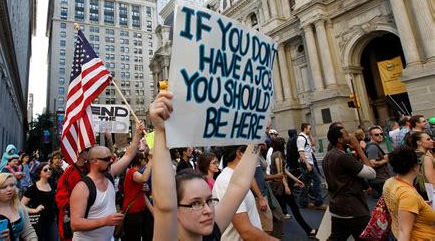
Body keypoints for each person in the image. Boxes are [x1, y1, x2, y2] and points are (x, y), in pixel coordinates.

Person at [150, 91, 278, 240]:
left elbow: (239, 184)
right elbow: (164, 205)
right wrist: (160, 130)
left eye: (210, 201)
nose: (208, 210)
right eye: (196, 203)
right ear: (175, 210)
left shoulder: (213, 233)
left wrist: (257, 136)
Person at [69, 121, 143, 241]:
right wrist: (105, 221)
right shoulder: (82, 188)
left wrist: (137, 134)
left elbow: (128, 156)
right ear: (94, 161)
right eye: (107, 159)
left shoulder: (109, 174)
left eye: (111, 157)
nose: (111, 160)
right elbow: (75, 224)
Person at [323, 126, 376, 241]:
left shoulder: (328, 156)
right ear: (340, 140)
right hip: (353, 210)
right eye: (346, 134)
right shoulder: (343, 158)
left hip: (337, 208)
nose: (350, 136)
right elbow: (371, 173)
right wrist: (358, 148)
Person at [383, 147, 435, 240]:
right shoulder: (408, 195)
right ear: (415, 167)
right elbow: (404, 231)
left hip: (395, 232)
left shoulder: (389, 182)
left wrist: (422, 205)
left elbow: (396, 205)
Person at [270, 137, 317, 237]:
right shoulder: (278, 155)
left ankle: (275, 233)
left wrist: (296, 180)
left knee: (276, 211)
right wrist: (286, 186)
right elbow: (280, 173)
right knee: (292, 209)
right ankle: (308, 231)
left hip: (277, 186)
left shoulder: (275, 154)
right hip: (280, 187)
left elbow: (283, 170)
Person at [55, 147, 90, 241]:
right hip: (73, 222)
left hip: (89, 220)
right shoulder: (68, 173)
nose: (90, 152)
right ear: (79, 153)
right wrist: (81, 200)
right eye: (87, 150)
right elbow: (60, 201)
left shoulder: (90, 167)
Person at [0, 173, 38, 240]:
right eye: (4, 187)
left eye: (12, 185)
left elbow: (28, 231)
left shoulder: (19, 206)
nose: (9, 189)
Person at [21, 162, 59, 241]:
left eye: (49, 169)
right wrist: (34, 210)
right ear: (39, 173)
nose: (48, 171)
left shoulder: (51, 185)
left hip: (52, 220)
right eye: (45, 170)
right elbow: (21, 206)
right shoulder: (32, 188)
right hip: (38, 221)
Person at [122, 151, 152, 241]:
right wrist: (151, 161)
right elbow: (144, 178)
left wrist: (144, 188)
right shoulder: (132, 172)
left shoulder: (135, 172)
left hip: (137, 212)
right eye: (144, 159)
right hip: (133, 213)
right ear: (139, 160)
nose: (145, 161)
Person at [297, 123, 326, 209]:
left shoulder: (306, 137)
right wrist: (307, 164)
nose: (310, 130)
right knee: (317, 180)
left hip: (309, 162)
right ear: (305, 128)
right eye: (309, 128)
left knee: (306, 183)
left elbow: (313, 144)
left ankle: (303, 202)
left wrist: (310, 135)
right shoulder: (301, 138)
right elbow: (301, 152)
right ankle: (318, 203)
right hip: (307, 163)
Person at [405, 131, 435, 200]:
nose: (432, 141)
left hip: (414, 191)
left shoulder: (412, 154)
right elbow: (432, 182)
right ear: (419, 142)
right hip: (426, 194)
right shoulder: (425, 158)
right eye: (428, 139)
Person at [366, 126, 390, 197]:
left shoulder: (374, 146)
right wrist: (386, 160)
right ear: (370, 136)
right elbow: (372, 163)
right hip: (379, 179)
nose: (380, 136)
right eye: (376, 135)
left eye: (381, 134)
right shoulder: (372, 147)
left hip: (380, 178)